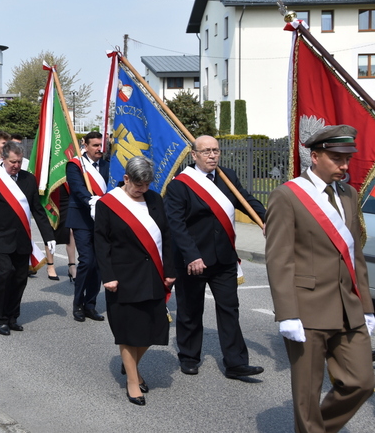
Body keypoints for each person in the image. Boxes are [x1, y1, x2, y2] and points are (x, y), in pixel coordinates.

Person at [265, 125, 375, 432]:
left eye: (347, 158)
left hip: (347, 307)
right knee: (307, 394)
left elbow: (355, 255)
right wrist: (287, 314)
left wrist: (365, 305)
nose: (344, 165)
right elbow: (279, 259)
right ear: (315, 157)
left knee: (362, 382)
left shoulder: (349, 194)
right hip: (308, 309)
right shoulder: (287, 196)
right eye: (337, 157)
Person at [164, 135, 265, 378]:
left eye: (216, 151)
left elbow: (246, 201)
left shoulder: (227, 177)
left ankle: (235, 362)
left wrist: (266, 219)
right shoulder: (180, 185)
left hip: (224, 258)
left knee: (230, 309)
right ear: (194, 155)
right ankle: (189, 356)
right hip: (193, 261)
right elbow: (175, 225)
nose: (212, 155)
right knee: (190, 310)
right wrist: (192, 256)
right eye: (206, 151)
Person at [95, 156, 176, 406]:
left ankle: (130, 365)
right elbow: (101, 242)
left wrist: (170, 269)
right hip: (123, 278)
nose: (142, 190)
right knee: (128, 333)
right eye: (137, 185)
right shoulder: (108, 204)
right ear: (126, 178)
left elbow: (166, 235)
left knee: (154, 329)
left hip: (153, 274)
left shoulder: (154, 199)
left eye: (146, 185)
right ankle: (133, 381)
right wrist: (107, 276)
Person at [0, 141, 55, 335]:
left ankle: (12, 317)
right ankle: (1, 318)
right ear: (3, 159)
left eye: (19, 162)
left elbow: (37, 210)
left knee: (20, 279)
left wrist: (48, 236)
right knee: (4, 274)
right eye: (12, 162)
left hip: (22, 238)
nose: (16, 166)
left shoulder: (29, 179)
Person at [66, 131, 109, 322]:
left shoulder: (108, 165)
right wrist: (91, 201)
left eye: (101, 145)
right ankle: (77, 303)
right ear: (85, 146)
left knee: (99, 263)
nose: (99, 149)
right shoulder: (76, 165)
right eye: (95, 145)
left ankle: (90, 305)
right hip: (82, 217)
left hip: (103, 219)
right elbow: (77, 188)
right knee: (87, 260)